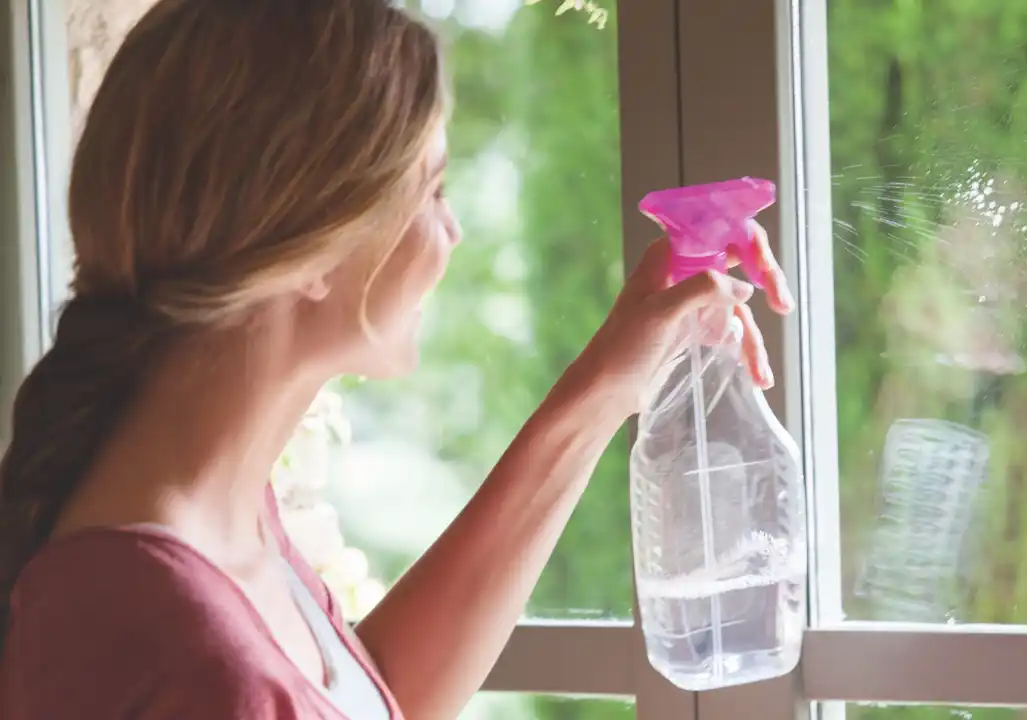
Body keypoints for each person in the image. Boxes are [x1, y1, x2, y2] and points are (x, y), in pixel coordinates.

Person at [0, 1, 794, 718]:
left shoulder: (212, 533)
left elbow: (379, 698)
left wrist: (604, 387)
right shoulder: (178, 641)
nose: (451, 234)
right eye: (432, 189)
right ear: (312, 243)